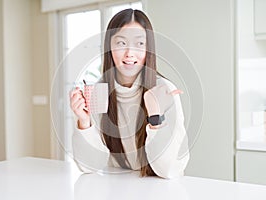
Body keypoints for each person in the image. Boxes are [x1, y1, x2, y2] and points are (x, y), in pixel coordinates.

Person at [69, 8, 189, 178]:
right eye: (121, 43)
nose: (129, 53)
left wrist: (156, 116)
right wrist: (84, 121)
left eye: (139, 44)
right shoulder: (100, 91)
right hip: (118, 188)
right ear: (109, 47)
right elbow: (89, 166)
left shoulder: (164, 91)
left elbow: (169, 171)